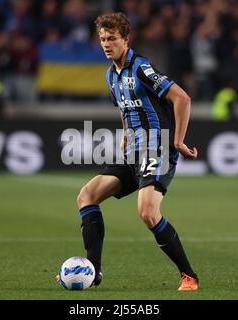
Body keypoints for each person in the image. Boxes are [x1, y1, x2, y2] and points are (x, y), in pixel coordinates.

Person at [56, 12, 199, 291]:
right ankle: (93, 271)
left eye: (112, 38)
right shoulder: (111, 75)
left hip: (156, 146)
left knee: (147, 212)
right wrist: (124, 134)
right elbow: (125, 107)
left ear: (126, 39)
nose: (106, 44)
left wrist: (179, 140)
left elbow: (182, 98)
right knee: (87, 196)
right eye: (102, 39)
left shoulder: (141, 68)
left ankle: (189, 276)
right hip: (134, 152)